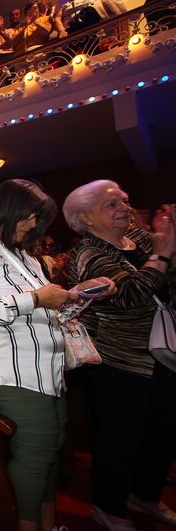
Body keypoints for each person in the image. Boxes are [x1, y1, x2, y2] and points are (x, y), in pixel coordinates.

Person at [0, 179, 114, 531]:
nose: (31, 223)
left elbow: (48, 315)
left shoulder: (26, 257)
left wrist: (77, 296)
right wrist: (38, 298)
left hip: (48, 368)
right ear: (2, 209)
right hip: (14, 372)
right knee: (35, 456)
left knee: (51, 451)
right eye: (27, 214)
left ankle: (50, 524)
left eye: (37, 217)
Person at [63, 180, 176, 530]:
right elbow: (128, 295)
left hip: (161, 351)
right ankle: (109, 507)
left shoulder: (140, 241)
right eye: (111, 205)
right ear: (85, 218)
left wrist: (164, 249)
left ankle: (144, 493)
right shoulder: (88, 252)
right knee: (119, 439)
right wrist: (163, 255)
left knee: (162, 432)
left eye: (124, 201)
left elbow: (166, 282)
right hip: (117, 360)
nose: (124, 209)